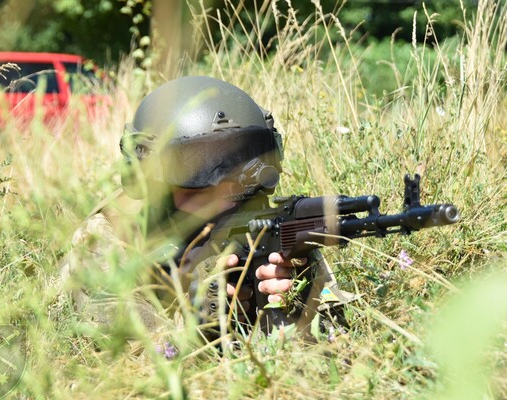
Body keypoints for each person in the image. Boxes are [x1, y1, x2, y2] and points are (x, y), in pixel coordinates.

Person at [59, 76, 356, 344]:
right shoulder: (107, 236)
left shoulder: (262, 224)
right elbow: (136, 358)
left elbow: (336, 335)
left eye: (236, 175)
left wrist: (295, 299)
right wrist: (200, 323)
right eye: (197, 178)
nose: (224, 199)